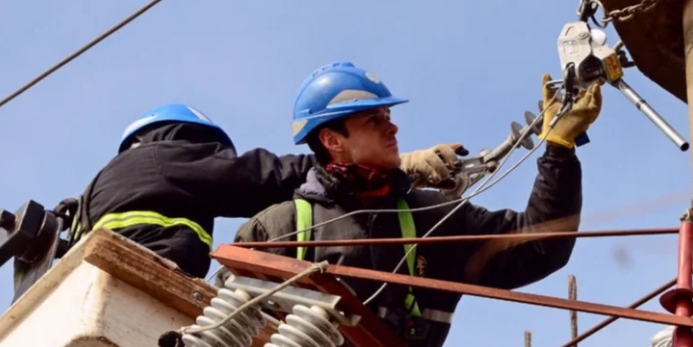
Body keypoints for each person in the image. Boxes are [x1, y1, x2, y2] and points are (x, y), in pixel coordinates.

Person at [231, 62, 601, 347]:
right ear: (332, 140)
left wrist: (559, 150)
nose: (392, 126)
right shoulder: (279, 228)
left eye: (387, 115)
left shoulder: (433, 218)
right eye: (373, 120)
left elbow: (537, 247)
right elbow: (221, 320)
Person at [67, 103, 462, 279]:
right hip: (147, 275)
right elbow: (263, 177)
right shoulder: (166, 158)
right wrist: (391, 166)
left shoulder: (100, 185)